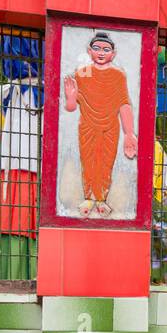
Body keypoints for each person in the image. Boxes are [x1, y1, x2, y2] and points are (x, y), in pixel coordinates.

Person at [63, 32, 137, 217]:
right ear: (89, 51)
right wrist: (71, 97)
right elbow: (71, 107)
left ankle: (102, 199)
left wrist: (130, 133)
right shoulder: (82, 73)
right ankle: (88, 196)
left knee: (106, 162)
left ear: (113, 53)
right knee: (88, 161)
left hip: (110, 127)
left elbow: (124, 104)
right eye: (97, 48)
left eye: (106, 49)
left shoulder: (118, 76)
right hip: (87, 125)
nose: (101, 53)